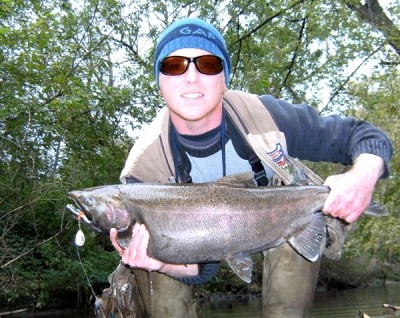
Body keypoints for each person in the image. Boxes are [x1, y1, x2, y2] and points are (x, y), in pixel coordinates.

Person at [109, 17, 393, 318]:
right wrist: (162, 262)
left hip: (285, 222)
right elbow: (203, 267)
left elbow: (363, 135)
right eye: (174, 65)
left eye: (207, 64)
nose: (191, 77)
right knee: (151, 267)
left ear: (224, 77)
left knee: (293, 240)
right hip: (201, 244)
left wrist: (363, 175)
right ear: (159, 79)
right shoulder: (144, 169)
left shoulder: (266, 115)